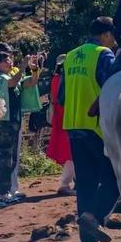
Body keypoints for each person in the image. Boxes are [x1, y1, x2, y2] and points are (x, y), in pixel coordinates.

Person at [59, 16, 118, 242]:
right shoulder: (103, 55)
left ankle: (87, 237)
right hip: (97, 127)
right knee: (114, 178)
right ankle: (95, 216)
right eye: (113, 36)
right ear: (105, 35)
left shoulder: (71, 56)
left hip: (73, 124)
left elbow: (62, 96)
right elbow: (113, 86)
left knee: (85, 181)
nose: (114, 41)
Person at [0, 45, 32, 206]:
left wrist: (36, 68)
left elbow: (28, 82)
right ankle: (2, 194)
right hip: (3, 123)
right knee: (5, 158)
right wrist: (23, 66)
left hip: (13, 121)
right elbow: (11, 83)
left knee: (11, 158)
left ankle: (8, 191)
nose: (9, 62)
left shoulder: (8, 75)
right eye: (5, 60)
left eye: (10, 59)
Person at [46, 54, 75, 195]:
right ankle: (66, 183)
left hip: (59, 113)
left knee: (68, 148)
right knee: (70, 149)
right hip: (66, 113)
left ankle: (73, 181)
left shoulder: (55, 78)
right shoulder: (65, 79)